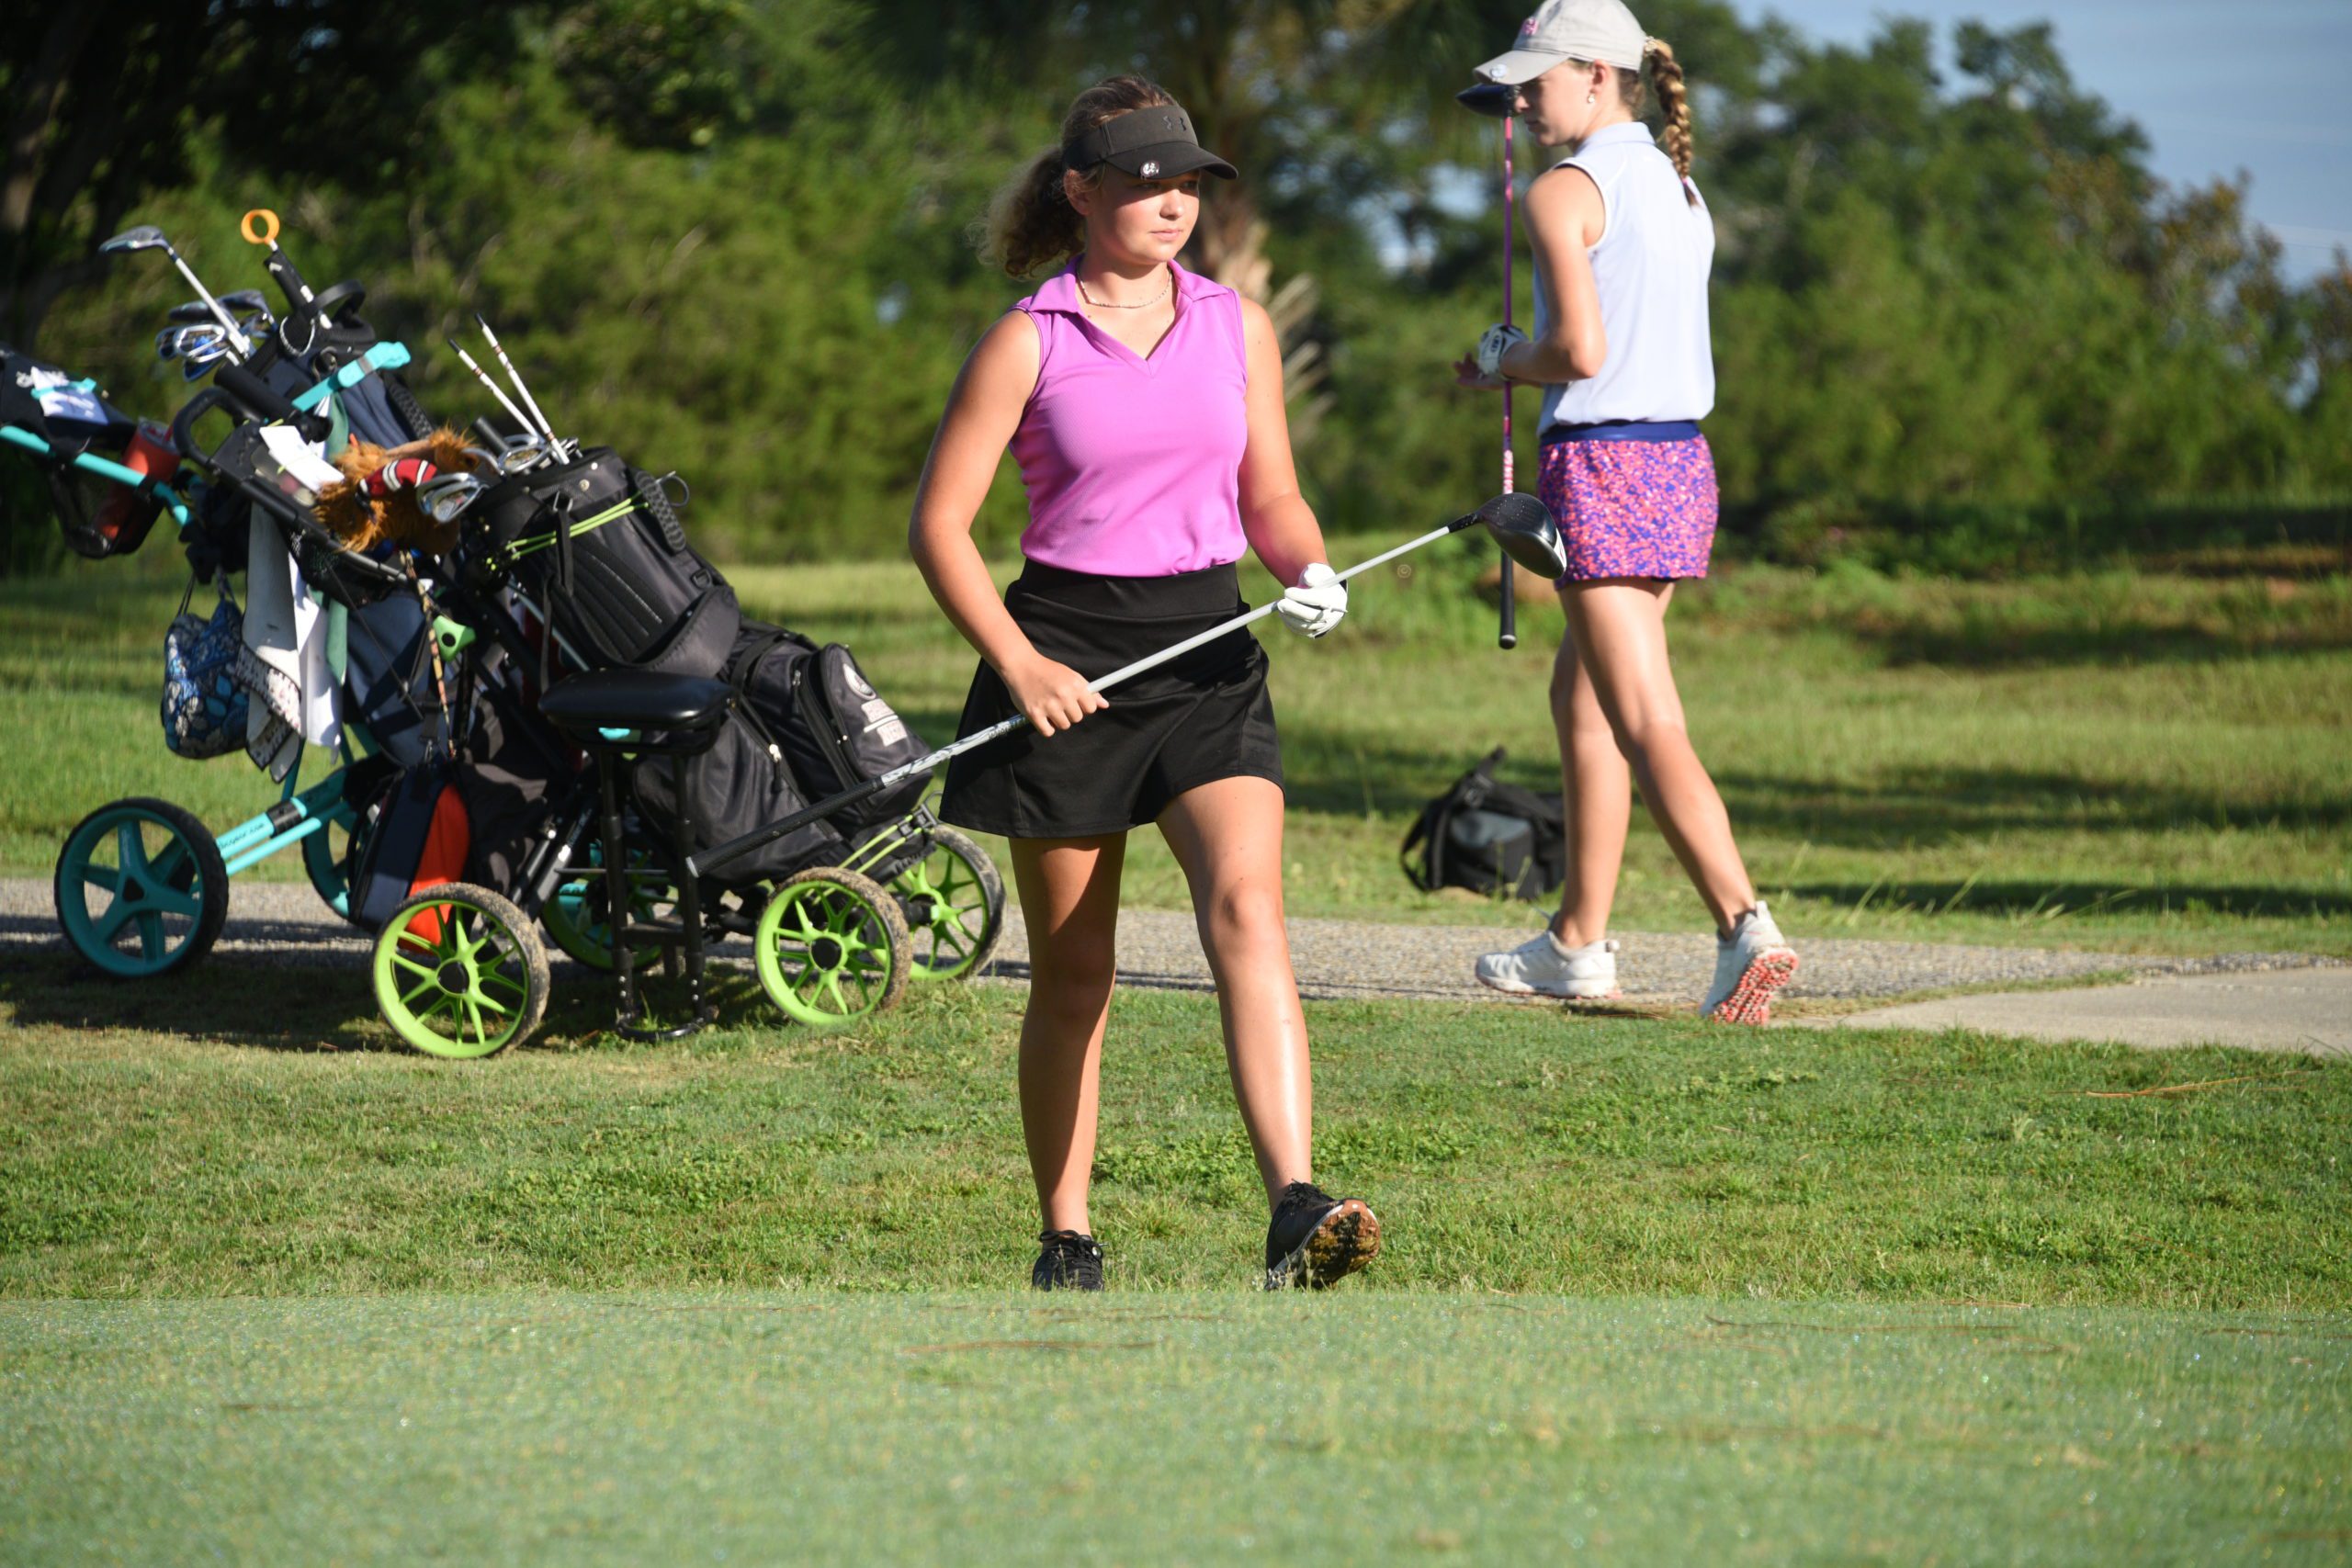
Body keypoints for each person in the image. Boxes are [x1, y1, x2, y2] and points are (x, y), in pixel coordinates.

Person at [908, 76, 1381, 1292]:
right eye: (1148, 181)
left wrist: (1306, 560)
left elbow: (1268, 493)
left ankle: (1293, 1202)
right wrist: (1020, 666)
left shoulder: (1236, 324)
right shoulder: (1031, 336)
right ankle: (1067, 1232)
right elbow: (942, 528)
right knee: (1078, 973)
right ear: (1081, 191)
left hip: (1208, 650)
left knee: (1247, 908)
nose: (1176, 201)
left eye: (1191, 182)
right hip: (1063, 654)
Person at [1458, 0, 1799, 1022]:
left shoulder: (1567, 188)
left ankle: (1744, 926)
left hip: (1604, 462)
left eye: (1538, 77)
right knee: (1585, 694)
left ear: (1597, 76)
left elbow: (1579, 355)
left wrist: (1496, 358)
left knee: (1644, 714)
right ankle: (1576, 941)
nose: (1520, 96)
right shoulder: (1676, 181)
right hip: (1677, 462)